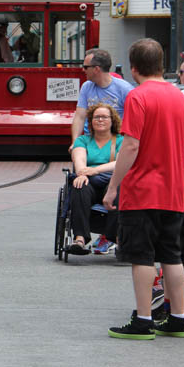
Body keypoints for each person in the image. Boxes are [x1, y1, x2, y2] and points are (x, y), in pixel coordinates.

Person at [103, 38, 184, 340]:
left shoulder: (137, 97)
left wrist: (113, 186)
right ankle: (178, 318)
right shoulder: (180, 98)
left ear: (133, 67)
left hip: (143, 190)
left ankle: (143, 320)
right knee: (172, 254)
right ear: (161, 64)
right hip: (173, 190)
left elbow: (131, 145)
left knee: (141, 256)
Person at [67, 102, 122, 256]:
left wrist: (95, 169)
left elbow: (120, 162)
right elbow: (79, 159)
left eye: (104, 117)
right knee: (78, 186)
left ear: (112, 120)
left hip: (111, 179)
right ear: (90, 121)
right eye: (96, 117)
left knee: (120, 188)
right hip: (89, 181)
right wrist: (82, 173)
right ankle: (80, 238)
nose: (100, 120)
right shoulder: (83, 140)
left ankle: (116, 236)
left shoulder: (120, 141)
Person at [70, 48, 134, 147]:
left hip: (114, 142)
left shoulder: (125, 89)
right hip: (90, 140)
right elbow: (80, 117)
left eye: (85, 67)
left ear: (96, 69)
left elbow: (133, 122)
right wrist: (75, 143)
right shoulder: (86, 87)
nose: (83, 70)